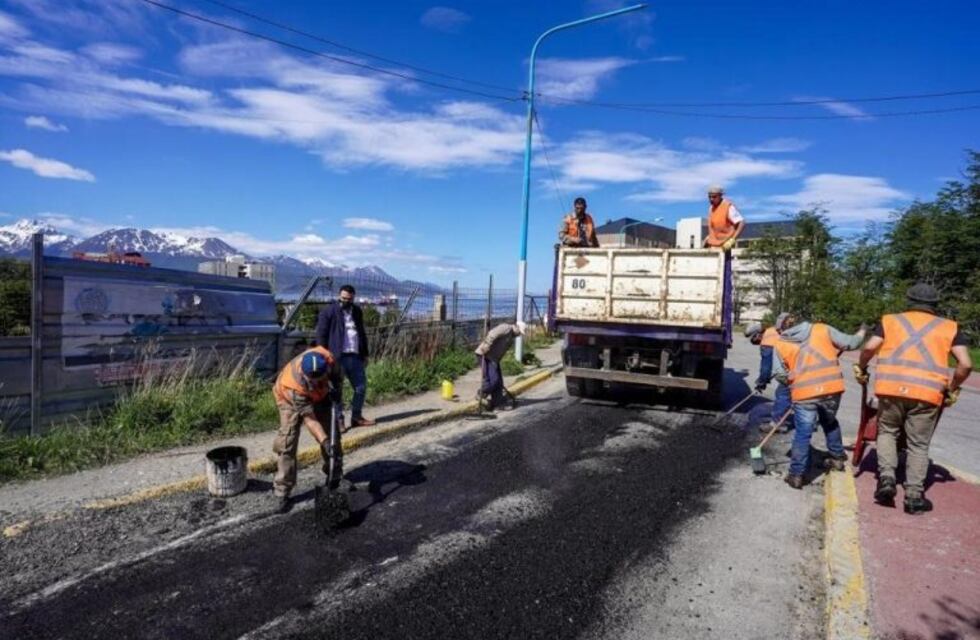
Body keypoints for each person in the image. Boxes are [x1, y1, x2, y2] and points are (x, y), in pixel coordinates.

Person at [854, 283, 973, 514]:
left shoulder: (890, 321)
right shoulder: (950, 327)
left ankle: (886, 479)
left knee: (887, 432)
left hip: (890, 388)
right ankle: (914, 496)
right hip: (927, 393)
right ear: (934, 304)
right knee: (918, 444)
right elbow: (966, 364)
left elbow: (869, 348)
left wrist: (862, 367)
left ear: (909, 301)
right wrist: (952, 388)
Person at [772, 313, 866, 489]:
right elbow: (851, 343)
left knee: (803, 432)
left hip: (804, 393)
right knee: (829, 422)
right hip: (831, 388)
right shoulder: (822, 329)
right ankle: (837, 458)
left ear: (782, 328)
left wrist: (793, 382)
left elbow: (779, 374)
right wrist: (862, 331)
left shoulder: (780, 343)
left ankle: (796, 475)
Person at [271, 345, 342, 513]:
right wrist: (324, 441)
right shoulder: (293, 385)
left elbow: (338, 379)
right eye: (313, 380)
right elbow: (310, 420)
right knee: (287, 441)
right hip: (289, 400)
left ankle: (334, 476)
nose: (316, 382)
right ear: (304, 374)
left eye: (320, 378)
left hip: (321, 396)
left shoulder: (329, 359)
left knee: (333, 434)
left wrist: (337, 393)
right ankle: (282, 491)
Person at [315, 284, 375, 428]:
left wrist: (365, 354)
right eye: (343, 298)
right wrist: (323, 355)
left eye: (349, 299)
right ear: (339, 296)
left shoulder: (357, 312)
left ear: (353, 298)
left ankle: (356, 417)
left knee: (360, 387)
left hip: (355, 356)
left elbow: (361, 333)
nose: (346, 301)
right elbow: (321, 335)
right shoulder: (329, 312)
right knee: (337, 391)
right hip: (336, 358)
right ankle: (339, 420)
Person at [745, 313, 794, 433]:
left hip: (781, 353)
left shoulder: (767, 339)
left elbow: (766, 368)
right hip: (786, 355)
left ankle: (777, 422)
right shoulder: (772, 330)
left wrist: (762, 382)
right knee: (782, 390)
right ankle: (779, 419)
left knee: (781, 390)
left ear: (758, 337)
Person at [475, 321, 526, 410]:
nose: (519, 335)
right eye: (519, 332)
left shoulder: (511, 336)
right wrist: (486, 345)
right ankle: (481, 394)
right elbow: (492, 334)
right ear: (516, 327)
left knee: (499, 382)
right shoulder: (506, 328)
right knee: (493, 380)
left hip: (494, 359)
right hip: (485, 355)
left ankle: (497, 403)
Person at [703, 185, 746, 251]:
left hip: (725, 245)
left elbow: (741, 222)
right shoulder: (711, 208)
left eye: (714, 197)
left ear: (720, 196)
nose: (711, 199)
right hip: (714, 245)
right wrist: (709, 238)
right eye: (709, 197)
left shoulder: (727, 207)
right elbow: (713, 227)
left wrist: (732, 240)